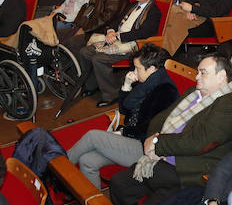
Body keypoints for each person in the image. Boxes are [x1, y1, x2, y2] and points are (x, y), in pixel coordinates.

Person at [109, 55, 232, 205]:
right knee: (118, 184)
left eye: (203, 73)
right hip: (162, 158)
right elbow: (160, 118)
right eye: (197, 72)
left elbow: (198, 143)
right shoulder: (192, 93)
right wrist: (152, 138)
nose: (196, 77)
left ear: (221, 76)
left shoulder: (230, 106)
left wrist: (157, 144)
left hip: (188, 168)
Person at [68, 44, 177, 189]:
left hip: (145, 146)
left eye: (137, 68)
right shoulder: (146, 83)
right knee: (87, 161)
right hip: (133, 137)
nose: (134, 71)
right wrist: (126, 85)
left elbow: (148, 129)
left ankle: (58, 167)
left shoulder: (165, 91)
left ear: (151, 69)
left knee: (92, 136)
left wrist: (122, 132)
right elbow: (125, 110)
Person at [75, 0, 162, 106]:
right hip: (116, 38)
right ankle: (92, 85)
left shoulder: (154, 12)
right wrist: (110, 31)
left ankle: (112, 94)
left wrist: (118, 36)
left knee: (99, 59)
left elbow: (144, 33)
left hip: (132, 45)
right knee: (84, 52)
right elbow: (116, 21)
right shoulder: (132, 5)